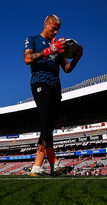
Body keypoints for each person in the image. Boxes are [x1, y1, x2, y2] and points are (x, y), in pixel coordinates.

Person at [24, 14, 83, 176]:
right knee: (46, 122)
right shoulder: (33, 39)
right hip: (40, 83)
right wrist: (48, 51)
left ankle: (54, 164)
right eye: (53, 28)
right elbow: (27, 59)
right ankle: (37, 166)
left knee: (49, 125)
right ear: (46, 25)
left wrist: (76, 59)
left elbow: (67, 69)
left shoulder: (59, 45)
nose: (55, 32)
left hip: (56, 86)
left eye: (58, 29)